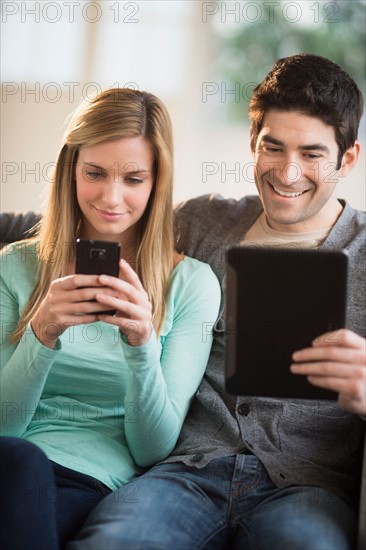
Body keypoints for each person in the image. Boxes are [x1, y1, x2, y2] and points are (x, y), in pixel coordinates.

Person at [67, 54, 366, 550]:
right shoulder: (200, 224)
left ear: (348, 158)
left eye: (312, 154)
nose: (288, 174)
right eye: (274, 147)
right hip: (185, 473)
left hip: (305, 488)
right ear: (253, 142)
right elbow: (98, 222)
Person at [0, 88, 221, 549]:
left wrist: (142, 345)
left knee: (21, 466)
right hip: (7, 459)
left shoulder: (191, 284)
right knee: (16, 458)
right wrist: (41, 334)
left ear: (158, 182)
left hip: (84, 481)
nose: (111, 197)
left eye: (134, 179)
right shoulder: (14, 266)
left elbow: (152, 449)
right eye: (94, 173)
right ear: (70, 172)